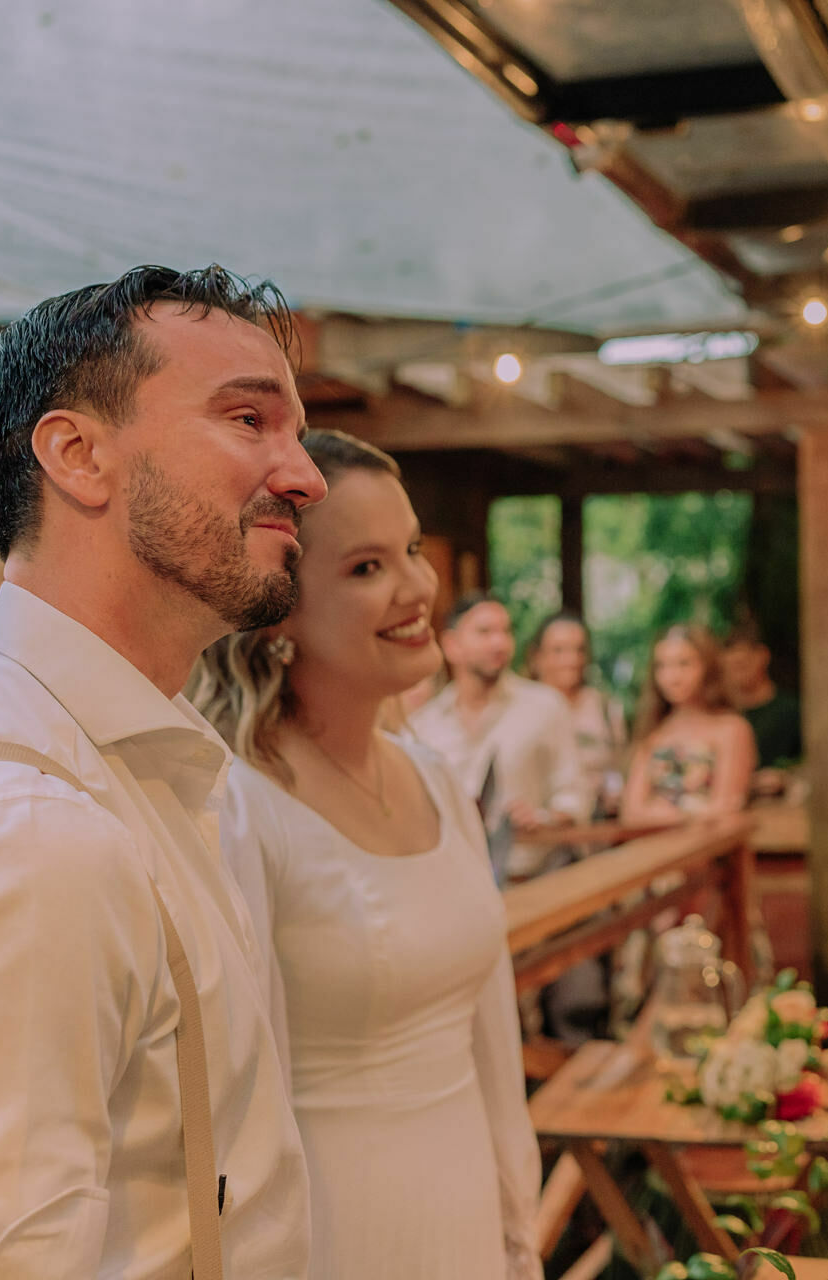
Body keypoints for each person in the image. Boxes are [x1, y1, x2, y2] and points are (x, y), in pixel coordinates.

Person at [0, 266, 320, 1277]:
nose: (305, 475)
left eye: (296, 432)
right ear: (79, 456)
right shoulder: (16, 829)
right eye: (247, 419)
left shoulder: (135, 770)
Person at [191, 430, 540, 1280]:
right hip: (338, 1228)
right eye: (366, 568)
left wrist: (516, 1222)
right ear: (279, 605)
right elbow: (238, 1089)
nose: (417, 588)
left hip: (468, 1201)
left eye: (411, 550)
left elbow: (491, 1034)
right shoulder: (239, 804)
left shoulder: (437, 780)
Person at [409, 595, 587, 883]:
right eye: (485, 632)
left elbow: (575, 795)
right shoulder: (424, 725)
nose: (500, 643)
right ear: (451, 644)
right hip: (452, 884)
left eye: (506, 631)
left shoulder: (546, 707)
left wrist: (543, 818)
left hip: (533, 881)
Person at [619, 624, 754, 824]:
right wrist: (692, 813)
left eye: (684, 664)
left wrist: (661, 813)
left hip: (710, 842)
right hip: (653, 842)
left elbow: (726, 806)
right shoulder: (654, 732)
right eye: (662, 666)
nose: (672, 677)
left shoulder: (732, 729)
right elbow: (630, 812)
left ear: (707, 667)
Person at [526, 611, 628, 821]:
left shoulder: (604, 707)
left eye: (579, 650)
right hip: (540, 829)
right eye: (559, 650)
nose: (571, 660)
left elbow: (618, 768)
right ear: (537, 657)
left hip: (594, 827)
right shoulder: (522, 710)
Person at [720, 621, 803, 795]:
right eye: (731, 667)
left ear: (762, 656)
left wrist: (786, 776)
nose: (737, 673)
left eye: (742, 664)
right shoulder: (719, 715)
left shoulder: (790, 711)